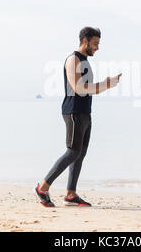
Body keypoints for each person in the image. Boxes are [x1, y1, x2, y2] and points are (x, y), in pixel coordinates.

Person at [35, 27, 122, 207]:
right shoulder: (73, 59)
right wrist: (106, 85)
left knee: (80, 154)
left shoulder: (84, 60)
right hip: (73, 112)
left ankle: (71, 194)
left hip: (85, 112)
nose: (97, 47)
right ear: (85, 41)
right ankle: (42, 188)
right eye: (95, 43)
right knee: (72, 151)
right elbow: (79, 88)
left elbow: (88, 88)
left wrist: (108, 85)